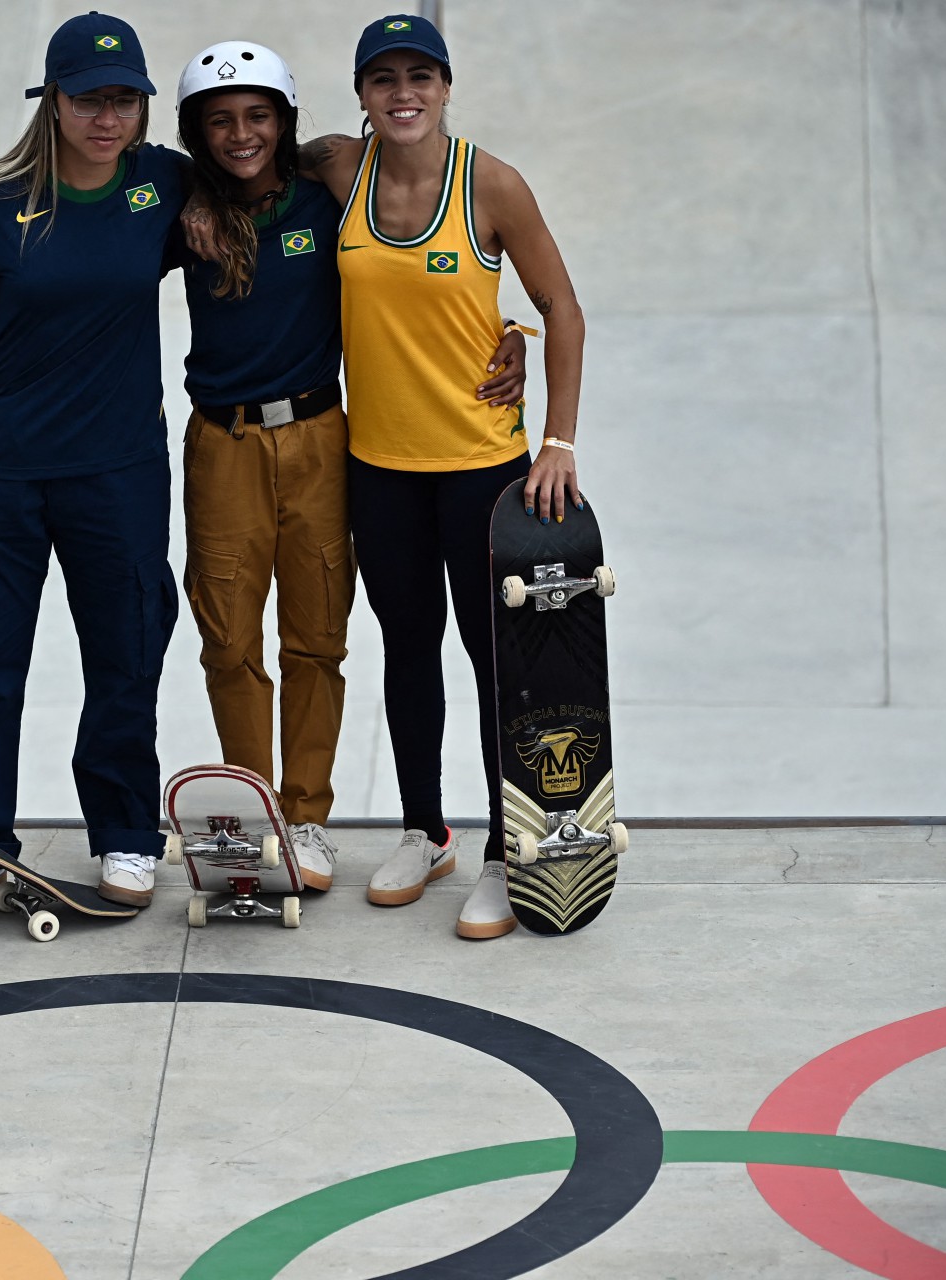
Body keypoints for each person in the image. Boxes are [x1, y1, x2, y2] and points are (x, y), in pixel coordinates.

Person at [0, 40, 527, 895]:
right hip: (219, 441)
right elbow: (75, 263)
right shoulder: (178, 201)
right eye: (219, 121)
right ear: (191, 131)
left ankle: (305, 820)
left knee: (317, 637)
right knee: (227, 638)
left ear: (285, 119)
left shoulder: (330, 189)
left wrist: (509, 330)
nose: (240, 134)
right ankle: (251, 812)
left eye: (258, 116)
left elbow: (416, 265)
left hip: (320, 438)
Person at [298, 14, 587, 938]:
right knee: (407, 648)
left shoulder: (490, 184)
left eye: (420, 76)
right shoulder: (340, 170)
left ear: (448, 86)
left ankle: (512, 849)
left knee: (493, 660)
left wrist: (558, 441)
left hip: (481, 470)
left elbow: (561, 307)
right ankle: (426, 831)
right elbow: (243, 153)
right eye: (383, 80)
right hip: (379, 468)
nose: (403, 94)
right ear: (362, 97)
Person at [0, 12, 188, 922]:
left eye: (124, 100)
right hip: (0, 475)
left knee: (125, 659)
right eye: (87, 99)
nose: (108, 118)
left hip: (119, 473)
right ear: (52, 102)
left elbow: (272, 211)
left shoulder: (165, 184)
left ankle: (128, 838)